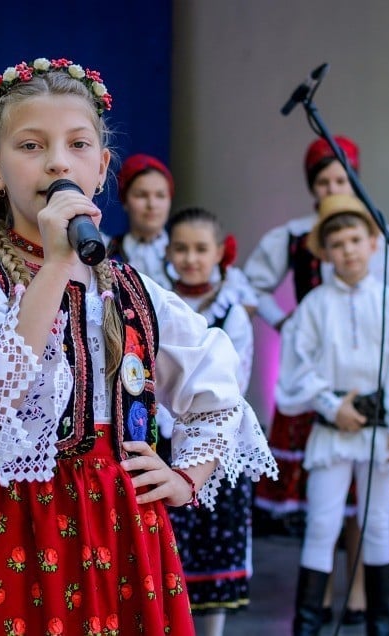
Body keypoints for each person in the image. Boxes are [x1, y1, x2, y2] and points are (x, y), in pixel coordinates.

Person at [0, 56, 277, 636]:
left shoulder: (135, 290)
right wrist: (55, 264)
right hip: (22, 526)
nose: (56, 161)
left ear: (100, 168)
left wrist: (185, 477)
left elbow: (216, 385)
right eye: (31, 146)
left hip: (126, 526)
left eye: (77, 145)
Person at [245, 136, 389, 624]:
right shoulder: (293, 237)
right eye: (325, 181)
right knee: (325, 500)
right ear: (312, 188)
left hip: (359, 382)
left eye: (342, 178)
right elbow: (251, 285)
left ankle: (358, 592)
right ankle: (322, 594)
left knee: (363, 505)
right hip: (317, 379)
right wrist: (285, 323)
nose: (334, 187)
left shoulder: (373, 231)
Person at [275, 193, 389, 636]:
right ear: (325, 252)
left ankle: (380, 621)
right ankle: (306, 621)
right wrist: (330, 405)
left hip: (381, 429)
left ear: (374, 242)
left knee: (377, 522)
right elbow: (296, 370)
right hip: (333, 428)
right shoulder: (314, 308)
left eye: (356, 240)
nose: (348, 250)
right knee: (322, 522)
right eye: (337, 243)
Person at [164, 206, 255, 636]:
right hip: (165, 440)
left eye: (201, 249)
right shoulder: (158, 304)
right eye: (181, 248)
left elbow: (232, 383)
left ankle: (213, 629)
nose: (191, 258)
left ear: (221, 253)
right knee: (172, 544)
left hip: (215, 445)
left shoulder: (233, 313)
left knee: (216, 541)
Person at [106, 153, 175, 286]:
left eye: (160, 196)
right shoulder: (107, 251)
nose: (152, 205)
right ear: (125, 201)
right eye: (141, 195)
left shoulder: (184, 253)